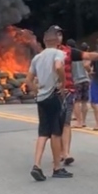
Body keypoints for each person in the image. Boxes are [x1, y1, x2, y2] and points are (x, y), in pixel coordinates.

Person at [55, 27, 98, 166]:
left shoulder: (68, 52)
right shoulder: (44, 54)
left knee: (66, 123)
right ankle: (58, 153)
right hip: (51, 93)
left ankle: (66, 153)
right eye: (54, 35)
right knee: (56, 126)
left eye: (59, 34)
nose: (57, 37)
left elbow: (86, 56)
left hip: (67, 91)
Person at [27, 26, 72, 181]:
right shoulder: (59, 53)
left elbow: (28, 80)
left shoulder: (37, 58)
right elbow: (59, 66)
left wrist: (35, 91)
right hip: (54, 96)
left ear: (45, 41)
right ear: (57, 40)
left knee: (42, 133)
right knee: (56, 133)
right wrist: (63, 83)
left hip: (41, 98)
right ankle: (57, 168)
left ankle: (37, 165)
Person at [69, 40, 91, 128]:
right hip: (86, 79)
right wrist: (90, 72)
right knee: (84, 102)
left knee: (76, 102)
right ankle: (84, 121)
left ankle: (79, 121)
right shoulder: (82, 55)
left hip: (76, 81)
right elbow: (87, 66)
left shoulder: (69, 57)